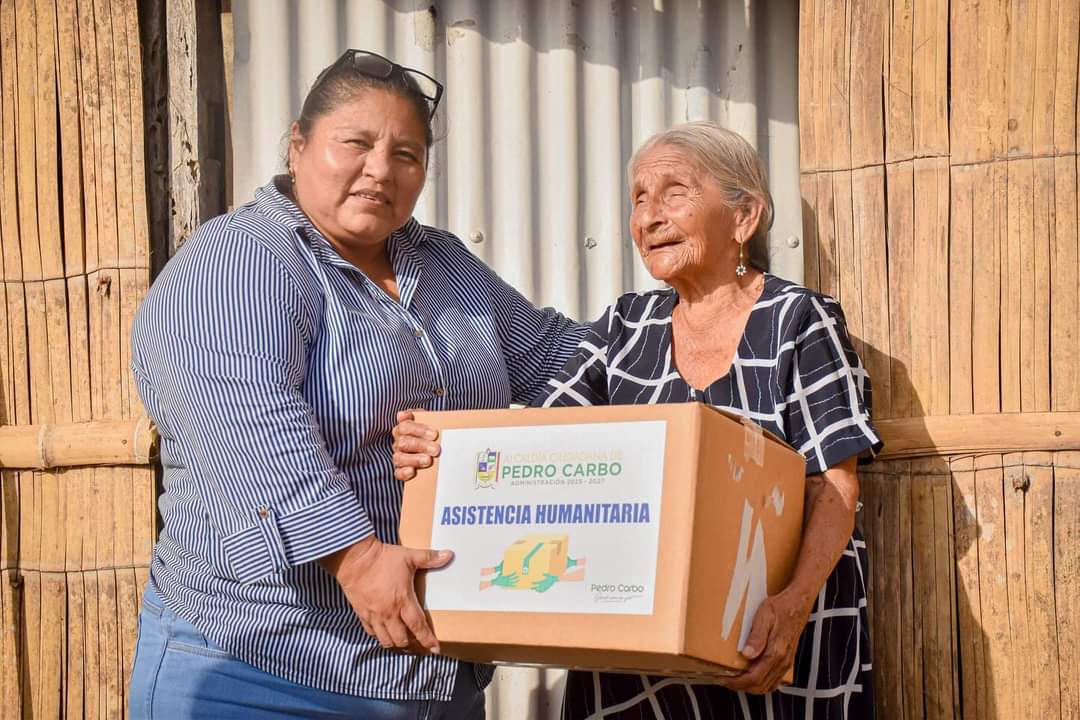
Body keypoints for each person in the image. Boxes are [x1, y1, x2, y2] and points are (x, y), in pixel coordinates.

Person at [127, 49, 584, 719]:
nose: (380, 169)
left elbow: (557, 358)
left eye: (406, 154)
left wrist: (693, 329)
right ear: (298, 145)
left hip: (435, 672)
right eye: (357, 143)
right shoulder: (240, 258)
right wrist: (359, 559)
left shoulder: (445, 265)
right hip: (266, 672)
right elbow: (247, 421)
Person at [393, 121, 882, 719]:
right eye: (639, 199)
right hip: (637, 661)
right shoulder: (626, 328)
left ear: (744, 217)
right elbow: (535, 445)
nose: (648, 217)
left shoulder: (797, 320)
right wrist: (440, 451)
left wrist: (794, 603)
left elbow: (833, 484)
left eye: (675, 193)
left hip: (766, 641)